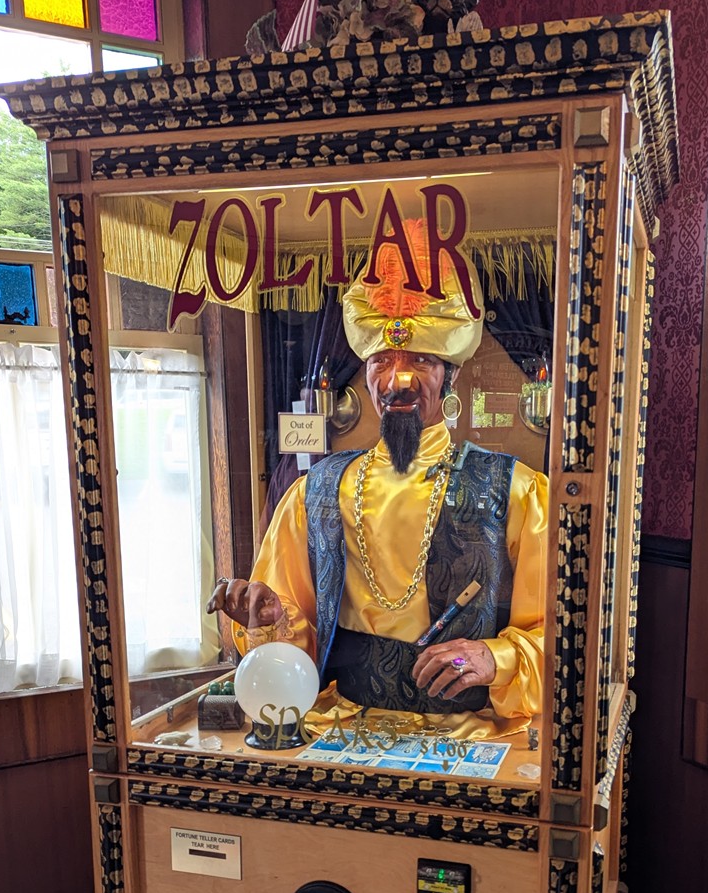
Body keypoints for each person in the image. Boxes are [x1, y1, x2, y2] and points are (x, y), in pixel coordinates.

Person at [207, 224, 548, 727]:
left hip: (469, 733)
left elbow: (560, 634)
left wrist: (493, 657)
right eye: (382, 361)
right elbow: (297, 640)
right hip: (345, 725)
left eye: (421, 361)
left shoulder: (515, 492)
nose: (398, 380)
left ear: (451, 375)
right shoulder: (316, 493)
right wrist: (270, 620)